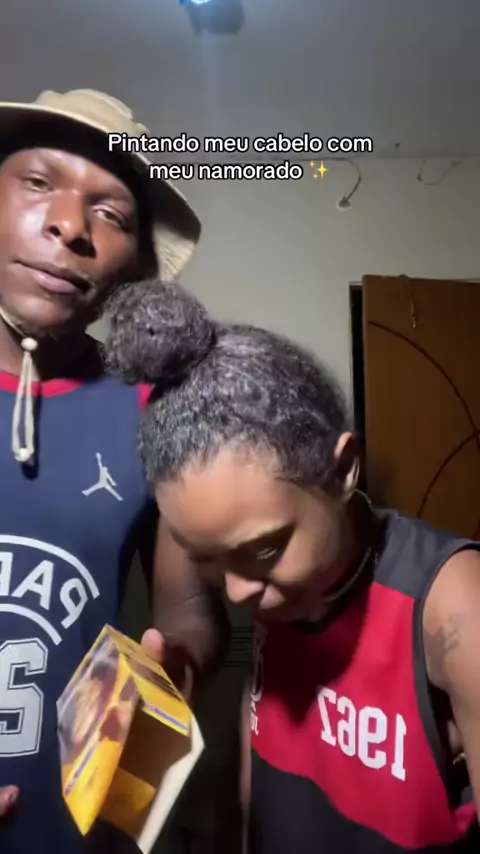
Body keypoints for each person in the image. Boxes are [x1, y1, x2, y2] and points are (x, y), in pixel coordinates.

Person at [105, 278, 480, 853]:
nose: (237, 592)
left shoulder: (452, 605)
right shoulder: (264, 564)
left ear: (343, 470)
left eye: (263, 550)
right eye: (208, 559)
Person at [0, 90, 228, 852]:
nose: (71, 225)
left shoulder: (153, 409)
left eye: (112, 214)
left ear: (133, 271)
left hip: (75, 831)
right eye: (39, 182)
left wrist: (170, 675)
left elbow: (190, 612)